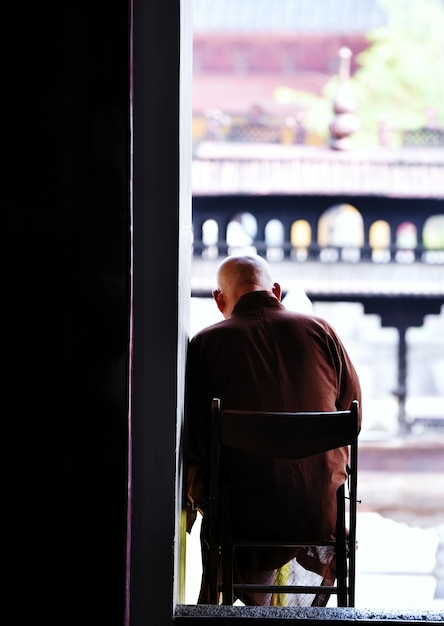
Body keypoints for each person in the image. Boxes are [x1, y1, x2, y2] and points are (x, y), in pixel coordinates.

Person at [185, 254, 362, 607]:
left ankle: (252, 603)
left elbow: (197, 438)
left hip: (242, 517)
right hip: (319, 515)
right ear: (276, 291)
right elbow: (351, 420)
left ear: (220, 300)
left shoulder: (206, 345)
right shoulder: (322, 331)